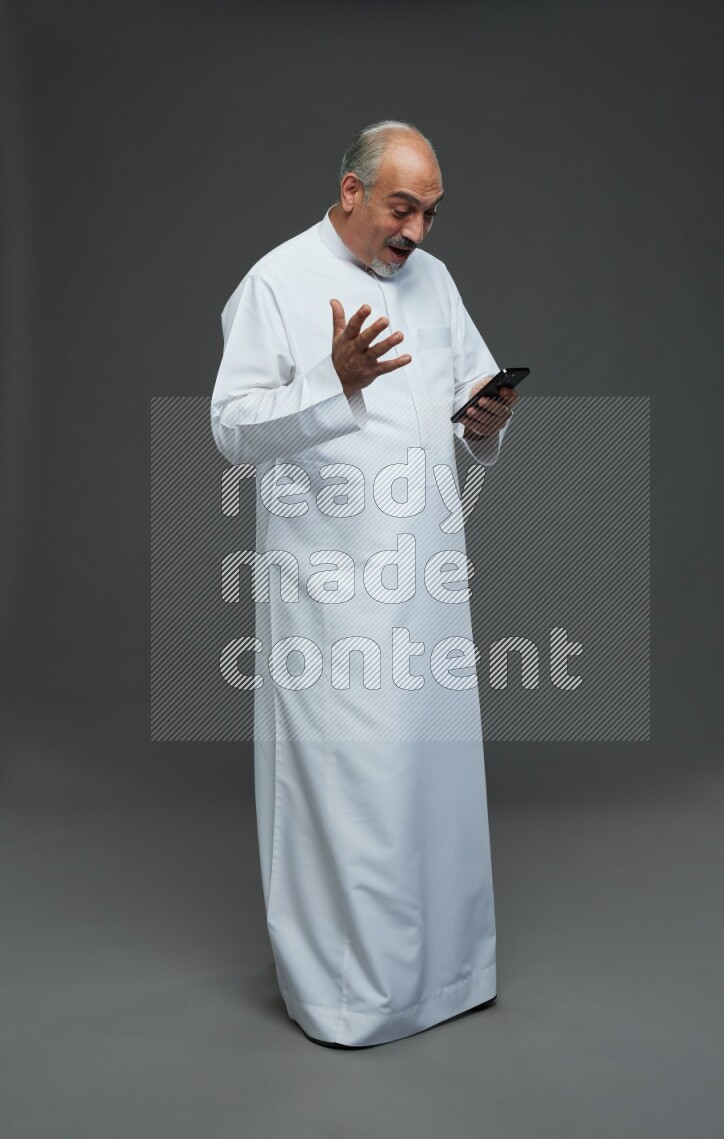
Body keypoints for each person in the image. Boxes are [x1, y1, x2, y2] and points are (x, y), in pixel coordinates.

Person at [210, 120, 517, 1047]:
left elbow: (467, 399)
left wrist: (485, 420)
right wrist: (331, 380)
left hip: (428, 577)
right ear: (351, 191)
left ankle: (450, 975)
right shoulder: (278, 282)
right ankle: (353, 997)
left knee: (435, 779)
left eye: (429, 213)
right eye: (401, 208)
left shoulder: (435, 282)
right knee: (356, 788)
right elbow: (231, 428)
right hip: (331, 590)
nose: (416, 231)